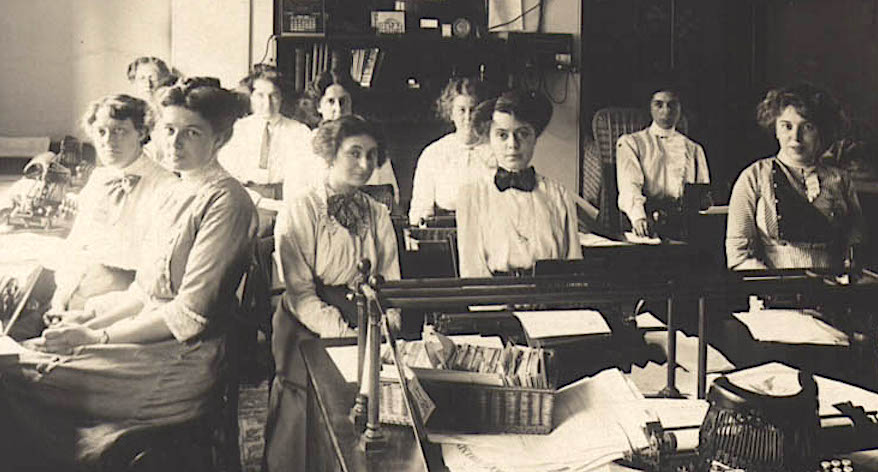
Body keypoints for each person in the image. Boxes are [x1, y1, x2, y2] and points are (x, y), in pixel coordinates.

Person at [0, 78, 257, 469]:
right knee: (22, 363)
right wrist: (89, 317)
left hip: (180, 363)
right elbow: (143, 291)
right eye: (169, 130)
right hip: (148, 342)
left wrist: (96, 336)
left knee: (13, 379)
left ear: (219, 138)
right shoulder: (175, 189)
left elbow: (188, 315)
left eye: (191, 133)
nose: (174, 143)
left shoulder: (227, 201)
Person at [266, 115, 400, 471]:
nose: (364, 164)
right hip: (307, 321)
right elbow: (299, 293)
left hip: (366, 318)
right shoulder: (301, 208)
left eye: (372, 155)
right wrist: (343, 332)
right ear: (330, 154)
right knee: (310, 405)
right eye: (354, 153)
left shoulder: (378, 213)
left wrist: (384, 327)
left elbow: (390, 282)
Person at [48, 94, 177, 315]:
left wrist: (89, 311)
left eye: (119, 131)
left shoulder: (166, 186)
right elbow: (77, 245)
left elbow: (158, 273)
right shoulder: (99, 178)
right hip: (83, 285)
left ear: (142, 133)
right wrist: (59, 299)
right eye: (101, 132)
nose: (108, 141)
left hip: (132, 299)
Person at [726, 83, 864, 271]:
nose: (796, 138)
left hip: (834, 293)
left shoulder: (840, 180)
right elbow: (738, 255)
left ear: (821, 131)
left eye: (807, 127)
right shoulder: (754, 177)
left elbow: (855, 243)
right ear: (775, 128)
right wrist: (775, 288)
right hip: (773, 293)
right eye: (787, 126)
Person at [456, 89, 582, 278]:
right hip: (497, 300)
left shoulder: (559, 195)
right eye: (502, 135)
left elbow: (573, 265)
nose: (513, 145)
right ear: (489, 138)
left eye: (523, 134)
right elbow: (472, 270)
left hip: (551, 300)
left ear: (535, 138)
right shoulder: (473, 195)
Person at [219, 64, 312, 234]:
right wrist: (258, 201)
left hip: (287, 200)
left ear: (281, 97)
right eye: (260, 95)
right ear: (251, 97)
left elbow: (303, 180)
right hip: (247, 199)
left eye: (273, 95)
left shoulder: (300, 132)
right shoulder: (238, 130)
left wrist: (286, 205)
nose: (267, 103)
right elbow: (228, 176)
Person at [285, 71, 400, 206]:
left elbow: (388, 194)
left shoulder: (368, 141)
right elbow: (293, 195)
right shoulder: (304, 145)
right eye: (331, 102)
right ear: (318, 106)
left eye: (343, 101)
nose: (338, 109)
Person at [616, 86, 710, 238]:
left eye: (672, 105)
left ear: (680, 109)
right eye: (659, 104)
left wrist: (703, 202)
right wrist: (638, 217)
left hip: (683, 223)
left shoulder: (694, 149)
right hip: (645, 220)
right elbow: (629, 186)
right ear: (650, 108)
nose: (666, 111)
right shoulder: (631, 143)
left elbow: (701, 194)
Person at [408, 77, 495, 225]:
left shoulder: (497, 150)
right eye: (461, 110)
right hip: (447, 231)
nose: (468, 117)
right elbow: (420, 209)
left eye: (473, 110)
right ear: (450, 113)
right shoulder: (433, 153)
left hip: (491, 229)